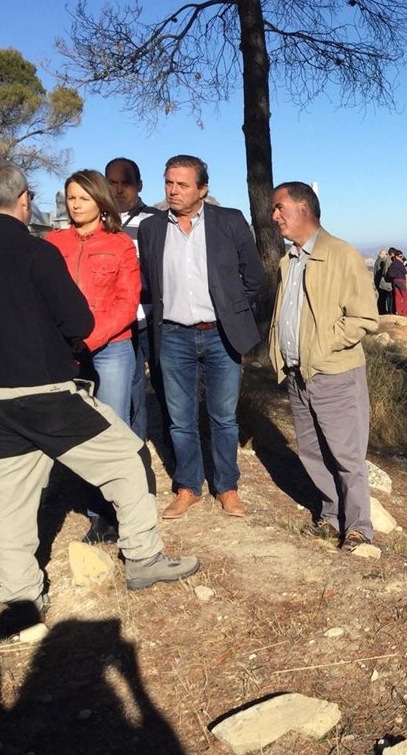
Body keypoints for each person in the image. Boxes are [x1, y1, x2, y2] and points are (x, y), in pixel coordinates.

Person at [0, 161, 199, 634]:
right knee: (127, 458)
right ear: (23, 199)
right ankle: (143, 557)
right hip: (47, 391)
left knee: (10, 502)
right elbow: (77, 321)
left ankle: (21, 600)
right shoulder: (38, 252)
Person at [138, 155, 265, 519]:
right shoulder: (152, 228)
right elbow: (149, 280)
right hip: (173, 335)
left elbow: (254, 278)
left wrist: (231, 310)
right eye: (169, 183)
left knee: (223, 417)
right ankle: (188, 487)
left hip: (220, 335)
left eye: (182, 184)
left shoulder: (229, 221)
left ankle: (227, 487)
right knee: (180, 419)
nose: (173, 190)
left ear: (202, 189)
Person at [268, 181, 379, 550]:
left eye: (280, 207)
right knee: (312, 452)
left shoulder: (341, 254)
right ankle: (332, 517)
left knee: (347, 455)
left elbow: (364, 317)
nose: (274, 215)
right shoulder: (289, 260)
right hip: (297, 375)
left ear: (304, 208)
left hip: (334, 373)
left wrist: (319, 346)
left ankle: (359, 527)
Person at [45, 170, 141, 544]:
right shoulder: (52, 243)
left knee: (113, 430)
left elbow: (127, 302)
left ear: (100, 201)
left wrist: (90, 338)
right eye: (71, 198)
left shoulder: (120, 244)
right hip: (64, 351)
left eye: (84, 198)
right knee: (81, 432)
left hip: (111, 347)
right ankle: (97, 514)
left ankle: (124, 511)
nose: (76, 204)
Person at [106, 157, 162, 443]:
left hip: (152, 318)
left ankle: (171, 446)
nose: (118, 190)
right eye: (112, 183)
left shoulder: (156, 220)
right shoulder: (98, 222)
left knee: (164, 385)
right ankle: (134, 447)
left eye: (125, 183)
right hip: (117, 322)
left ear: (139, 185)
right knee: (129, 387)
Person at [387, 248, 407, 317]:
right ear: (396, 256)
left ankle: (398, 312)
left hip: (394, 281)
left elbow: (390, 273)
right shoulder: (399, 263)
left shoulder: (392, 263)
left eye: (402, 256)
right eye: (400, 256)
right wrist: (403, 264)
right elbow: (405, 272)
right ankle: (404, 313)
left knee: (398, 296)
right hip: (401, 281)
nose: (401, 258)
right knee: (405, 297)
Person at [373, 249, 393, 315]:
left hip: (377, 281)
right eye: (385, 254)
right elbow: (381, 272)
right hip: (380, 282)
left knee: (381, 297)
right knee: (382, 297)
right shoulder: (380, 261)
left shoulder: (377, 260)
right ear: (382, 254)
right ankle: (382, 311)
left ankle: (381, 310)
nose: (386, 255)